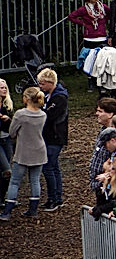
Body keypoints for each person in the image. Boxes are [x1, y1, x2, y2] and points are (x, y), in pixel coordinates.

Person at [35, 69, 67, 212]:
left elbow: (50, 117)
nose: (40, 86)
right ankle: (56, 198)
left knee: (48, 167)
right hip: (50, 136)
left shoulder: (59, 98)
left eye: (42, 84)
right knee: (54, 167)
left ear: (50, 83)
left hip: (55, 137)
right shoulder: (49, 96)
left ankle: (53, 198)